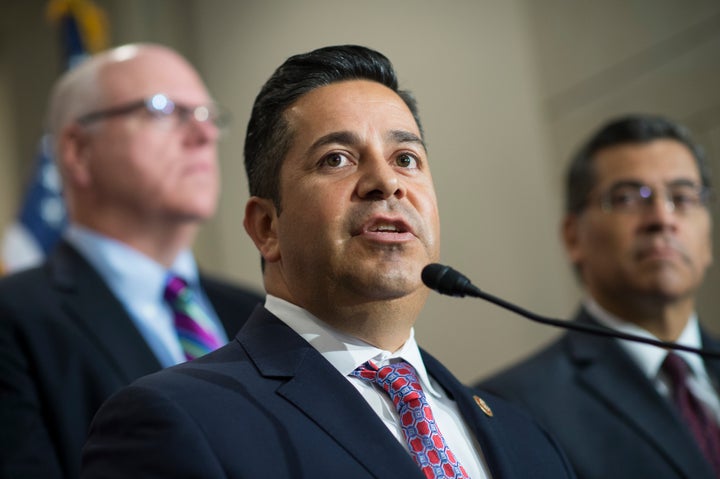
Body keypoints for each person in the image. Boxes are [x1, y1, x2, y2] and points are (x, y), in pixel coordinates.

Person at [80, 44, 576, 479]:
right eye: (336, 158)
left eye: (406, 158)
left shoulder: (526, 435)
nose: (387, 182)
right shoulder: (177, 419)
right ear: (267, 228)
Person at [0, 43, 262, 479]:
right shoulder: (14, 321)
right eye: (163, 110)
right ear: (78, 151)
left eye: (207, 115)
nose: (203, 135)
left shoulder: (258, 313)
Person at [477, 114, 720, 479]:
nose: (661, 218)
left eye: (682, 197)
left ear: (708, 237)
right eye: (627, 198)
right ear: (574, 237)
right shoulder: (510, 408)